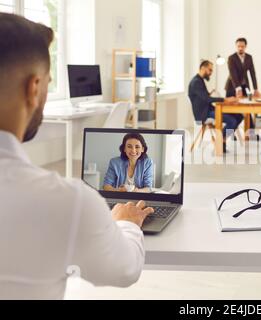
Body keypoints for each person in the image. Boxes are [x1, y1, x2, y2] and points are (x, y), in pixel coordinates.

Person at [0, 13, 154, 300]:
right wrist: (127, 222)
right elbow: (125, 270)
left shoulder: (144, 166)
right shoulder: (67, 202)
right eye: (48, 83)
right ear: (34, 89)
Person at [188, 60, 242, 153]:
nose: (211, 73)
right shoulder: (196, 82)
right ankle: (219, 141)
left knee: (239, 116)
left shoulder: (199, 80)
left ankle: (222, 140)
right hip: (204, 113)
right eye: (210, 70)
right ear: (203, 68)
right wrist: (225, 99)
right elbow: (207, 99)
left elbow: (203, 97)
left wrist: (210, 94)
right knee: (232, 121)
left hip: (208, 109)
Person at [225, 38, 261, 140]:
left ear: (245, 46)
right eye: (238, 46)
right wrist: (237, 88)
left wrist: (255, 88)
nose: (240, 48)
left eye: (242, 46)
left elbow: (252, 73)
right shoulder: (231, 58)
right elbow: (233, 74)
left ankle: (251, 133)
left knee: (248, 108)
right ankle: (231, 134)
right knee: (231, 111)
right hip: (232, 87)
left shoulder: (249, 57)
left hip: (245, 86)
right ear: (236, 46)